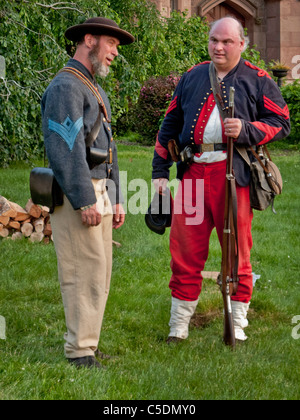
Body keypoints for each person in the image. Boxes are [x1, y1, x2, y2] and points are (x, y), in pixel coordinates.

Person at [151, 17, 290, 344]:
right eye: (214, 40)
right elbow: (169, 126)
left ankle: (238, 321)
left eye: (227, 42)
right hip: (194, 176)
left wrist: (247, 130)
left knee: (237, 250)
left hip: (234, 176)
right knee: (184, 250)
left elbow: (281, 122)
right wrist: (160, 174)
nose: (219, 47)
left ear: (242, 44)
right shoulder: (193, 76)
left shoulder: (258, 79)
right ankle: (179, 325)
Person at [41, 17, 134, 368]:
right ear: (90, 40)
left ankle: (88, 344)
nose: (114, 52)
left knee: (99, 270)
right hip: (79, 191)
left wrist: (116, 194)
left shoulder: (91, 86)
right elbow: (65, 149)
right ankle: (79, 350)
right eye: (111, 44)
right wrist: (85, 199)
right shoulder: (67, 86)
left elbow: (106, 149)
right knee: (82, 269)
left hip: (99, 189)